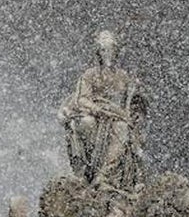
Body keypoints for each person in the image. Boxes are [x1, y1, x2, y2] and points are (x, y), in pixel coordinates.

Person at [60, 30, 147, 193]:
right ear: (98, 52)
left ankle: (105, 175)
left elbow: (134, 101)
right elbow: (81, 98)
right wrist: (97, 109)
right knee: (87, 123)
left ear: (116, 52)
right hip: (94, 114)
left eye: (111, 50)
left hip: (116, 117)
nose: (108, 54)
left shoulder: (123, 76)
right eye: (104, 50)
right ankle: (86, 170)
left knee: (122, 129)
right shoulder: (89, 75)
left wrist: (136, 105)